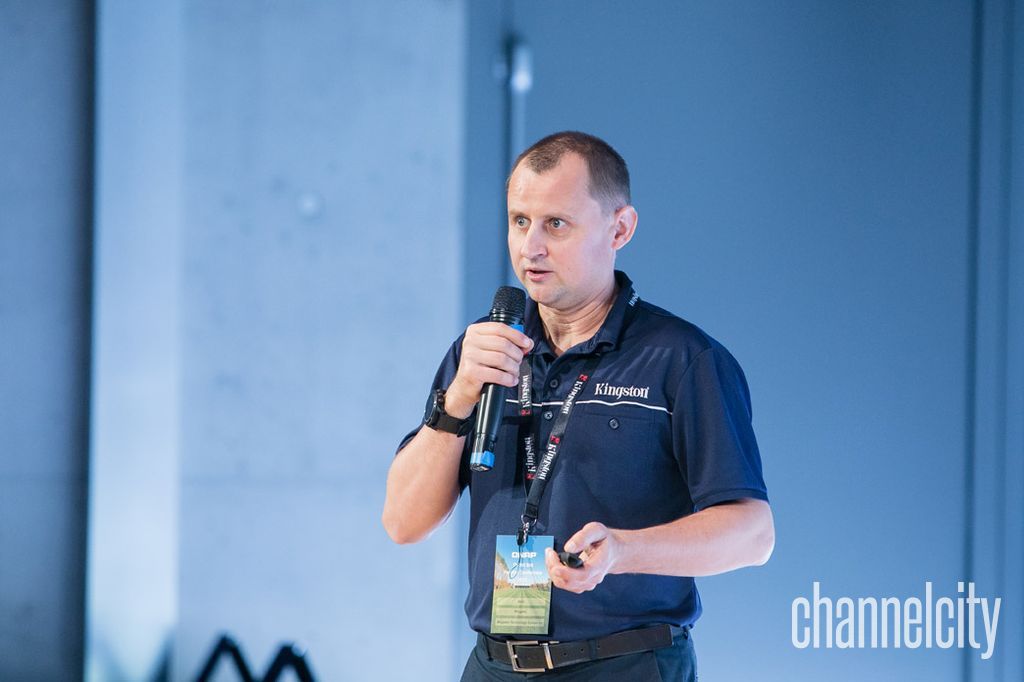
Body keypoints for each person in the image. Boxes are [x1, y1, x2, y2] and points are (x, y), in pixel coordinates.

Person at [383, 131, 774, 681]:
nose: (530, 247)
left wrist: (623, 551)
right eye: (520, 221)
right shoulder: (484, 352)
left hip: (622, 664)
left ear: (620, 229)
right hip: (494, 665)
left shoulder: (681, 359)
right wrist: (460, 397)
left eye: (556, 224)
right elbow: (403, 522)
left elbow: (753, 535)